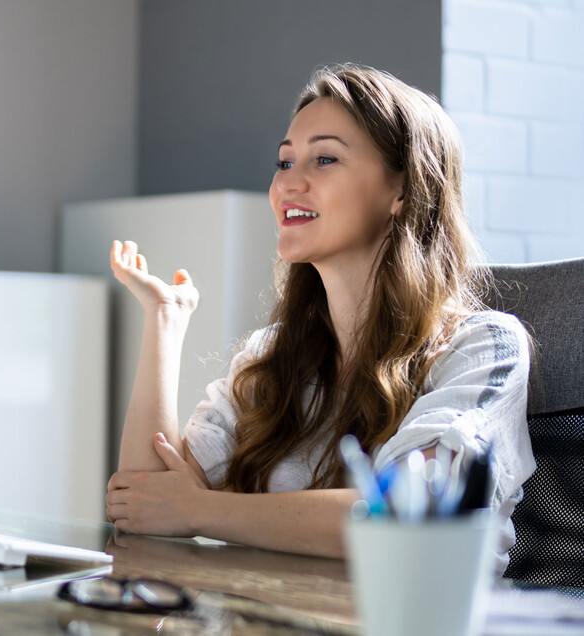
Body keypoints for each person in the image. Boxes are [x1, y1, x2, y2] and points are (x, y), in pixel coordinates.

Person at [104, 64, 535, 572]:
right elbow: (143, 504)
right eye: (284, 163)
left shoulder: (483, 347)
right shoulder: (270, 358)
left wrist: (202, 510)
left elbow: (406, 515)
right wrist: (164, 321)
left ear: (402, 189)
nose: (288, 184)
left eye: (324, 158)